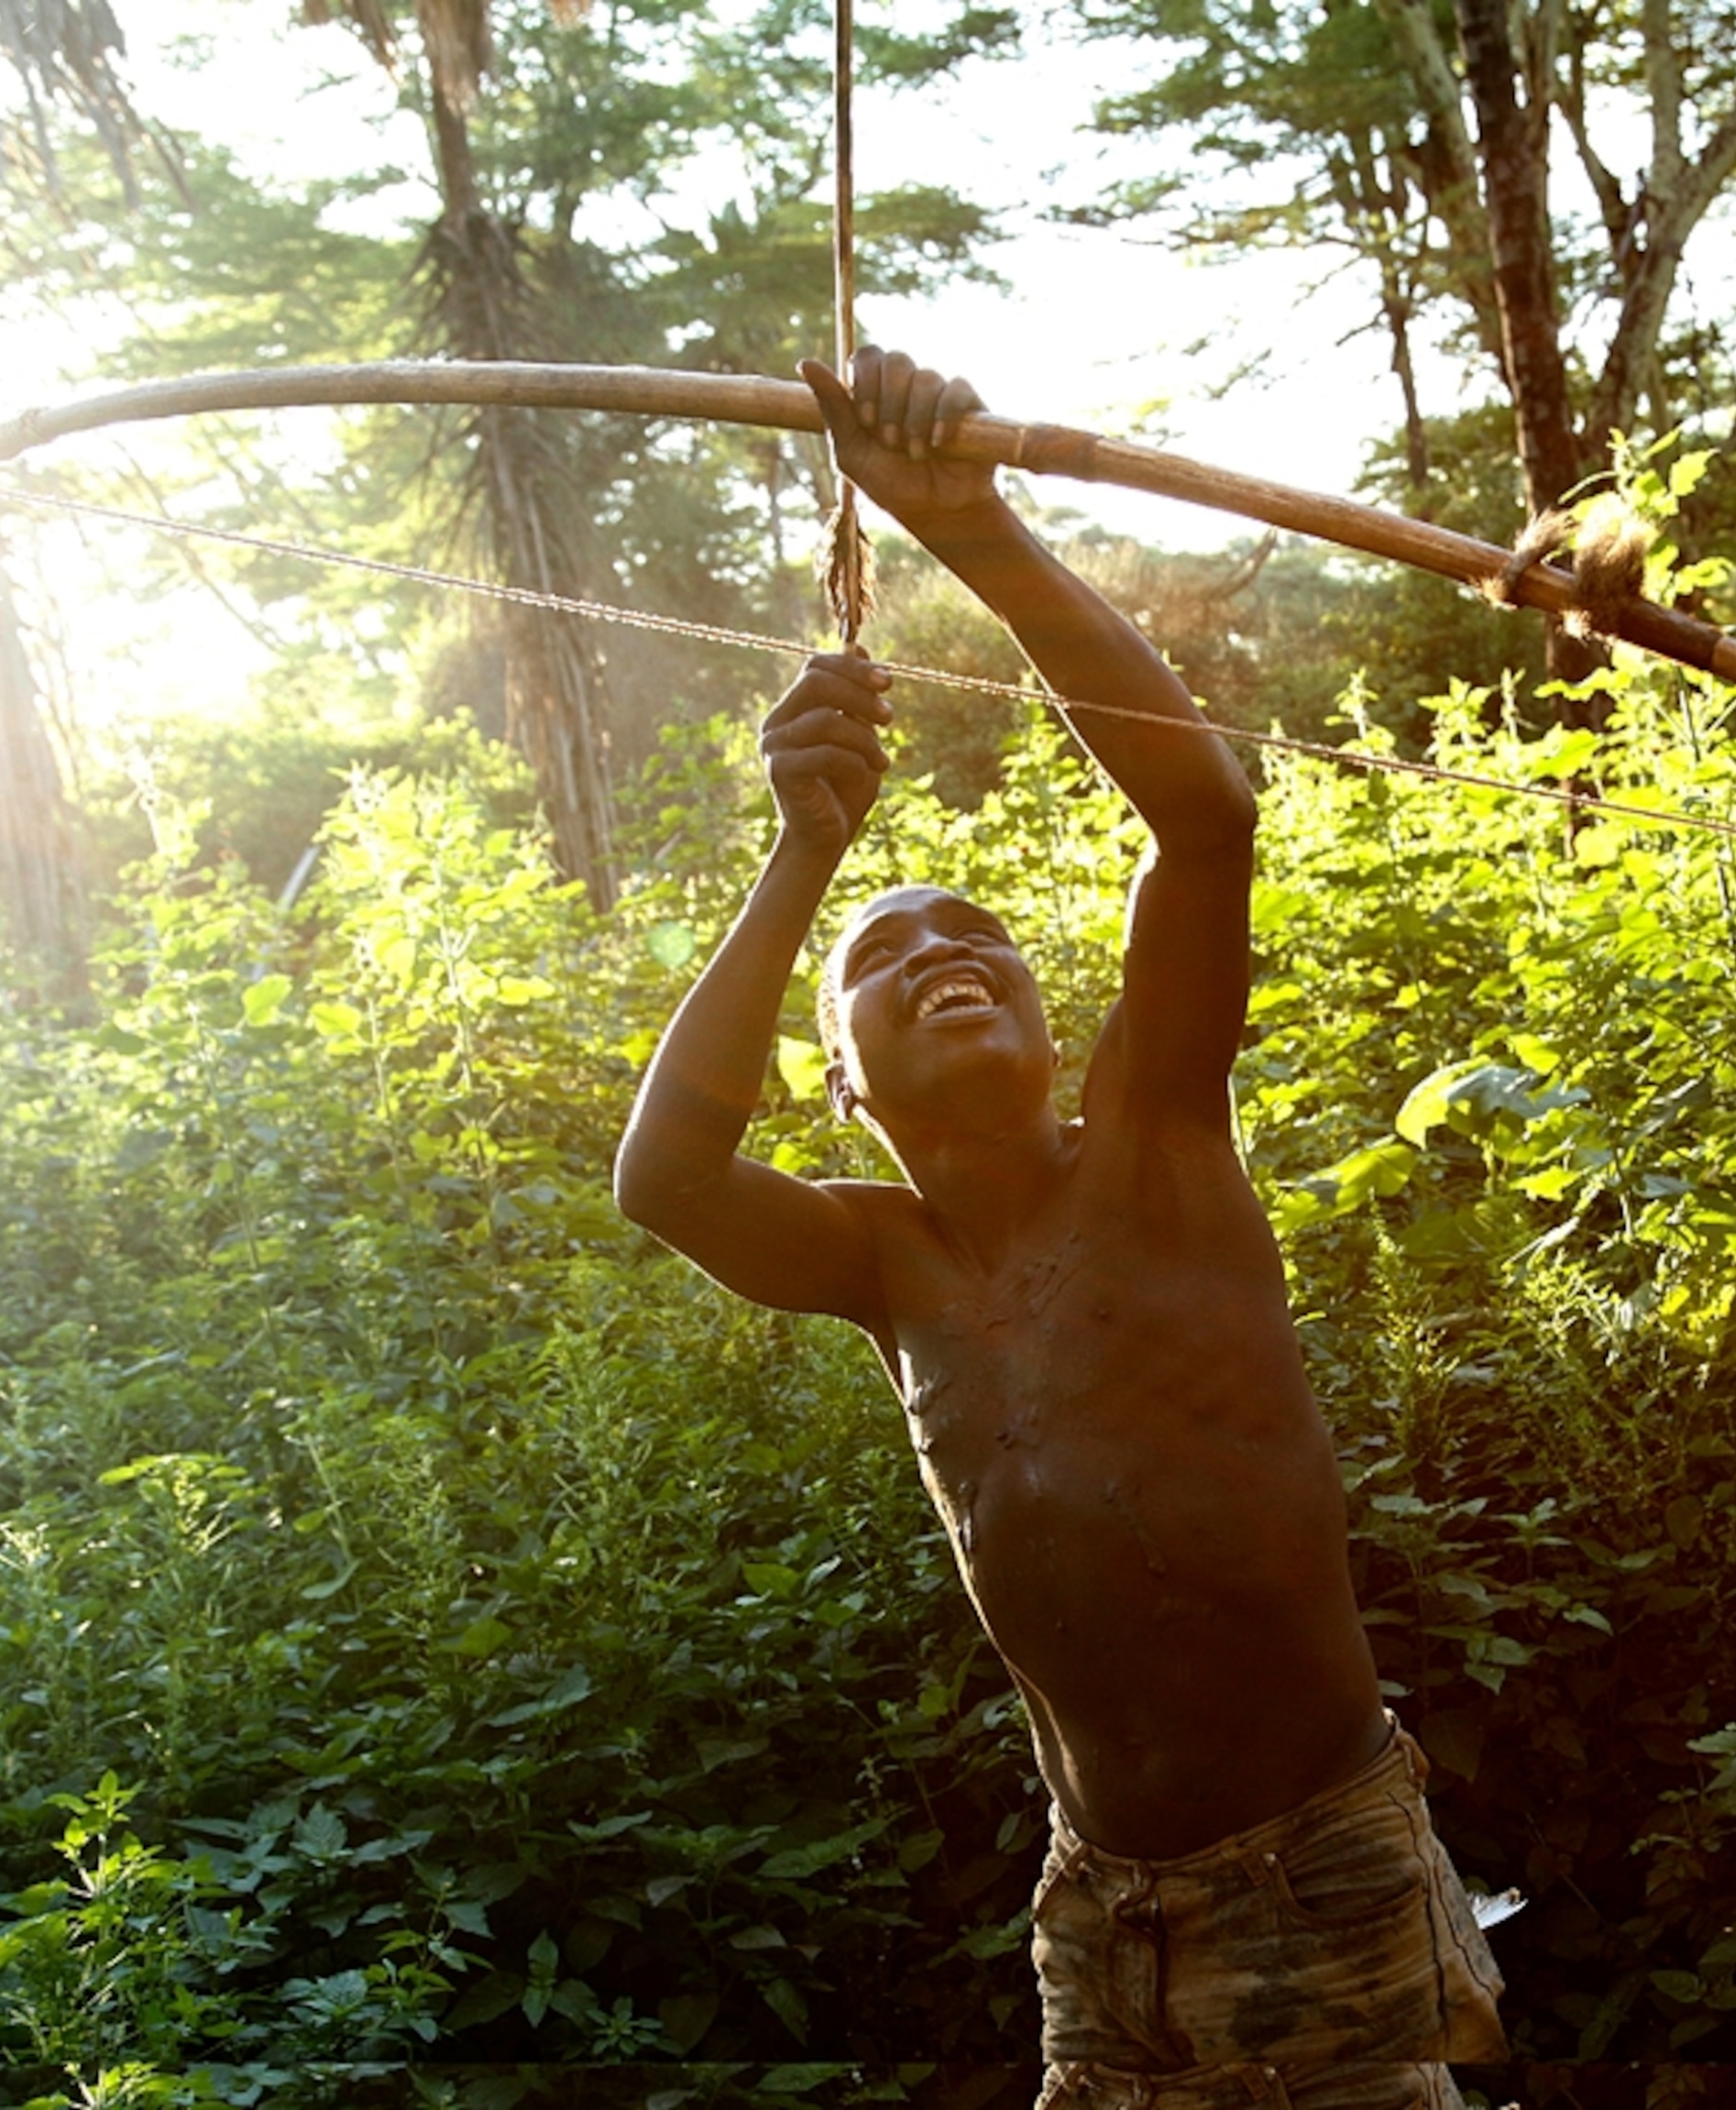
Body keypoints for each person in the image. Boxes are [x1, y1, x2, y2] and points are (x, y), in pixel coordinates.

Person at [614, 347, 1506, 2108]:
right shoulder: (884, 1264)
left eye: (982, 933)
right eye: (884, 957)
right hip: (1101, 1910)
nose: (944, 949)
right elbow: (666, 1180)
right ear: (848, 1089)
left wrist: (973, 528)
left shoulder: (1158, 1150)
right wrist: (804, 853)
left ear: (1050, 1008)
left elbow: (1205, 813)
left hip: (1311, 1857)